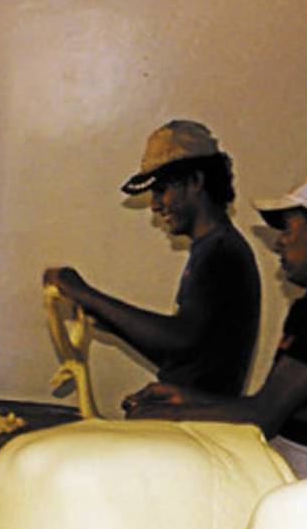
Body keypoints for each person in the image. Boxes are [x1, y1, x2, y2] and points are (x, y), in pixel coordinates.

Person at [125, 173, 307, 478]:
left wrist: (164, 416)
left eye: (287, 229)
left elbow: (264, 416)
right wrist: (184, 397)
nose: (279, 243)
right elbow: (268, 406)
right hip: (301, 457)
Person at [43, 120, 260, 397]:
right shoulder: (213, 247)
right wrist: (105, 318)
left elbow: (179, 341)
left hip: (197, 423)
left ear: (195, 181)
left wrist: (84, 293)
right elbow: (192, 354)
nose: (155, 205)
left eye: (161, 190)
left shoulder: (221, 252)